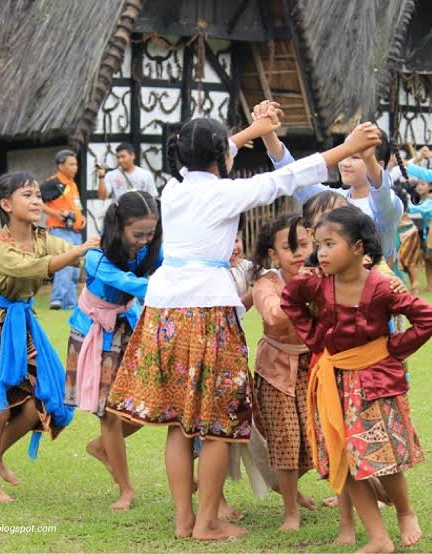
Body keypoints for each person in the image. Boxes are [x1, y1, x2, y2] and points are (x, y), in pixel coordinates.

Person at [106, 113, 382, 541]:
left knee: (180, 423)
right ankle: (207, 523)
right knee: (218, 424)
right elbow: (288, 177)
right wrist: (348, 148)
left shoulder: (174, 187)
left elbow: (219, 151)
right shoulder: (223, 193)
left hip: (162, 311)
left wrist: (253, 131)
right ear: (219, 155)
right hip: (207, 311)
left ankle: (184, 520)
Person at [282, 206, 432, 552]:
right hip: (333, 382)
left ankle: (405, 512)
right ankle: (379, 538)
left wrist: (392, 348)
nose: (321, 252)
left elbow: (425, 319)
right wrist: (316, 338)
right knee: (345, 459)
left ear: (358, 248)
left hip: (376, 383)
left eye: (330, 244)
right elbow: (290, 300)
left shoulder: (382, 287)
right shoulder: (317, 282)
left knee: (383, 456)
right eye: (318, 244)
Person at [0, 171, 99, 503]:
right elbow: (31, 267)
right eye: (27, 195)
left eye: (38, 195)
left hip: (21, 326)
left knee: (34, 406)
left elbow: (79, 258)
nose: (37, 201)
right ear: (6, 204)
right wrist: (79, 250)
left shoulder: (44, 238)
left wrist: (109, 254)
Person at [65, 190, 162, 511]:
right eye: (138, 234)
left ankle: (101, 446)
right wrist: (176, 285)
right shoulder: (97, 256)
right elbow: (131, 284)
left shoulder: (150, 250)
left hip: (127, 327)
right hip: (94, 332)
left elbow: (169, 265)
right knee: (108, 413)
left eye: (150, 233)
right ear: (119, 227)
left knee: (146, 404)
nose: (144, 241)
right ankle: (125, 490)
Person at [254, 101, 404, 264]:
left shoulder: (391, 205)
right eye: (344, 155)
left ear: (379, 164)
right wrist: (268, 133)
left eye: (355, 157)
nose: (345, 163)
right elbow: (295, 178)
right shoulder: (332, 200)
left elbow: (381, 196)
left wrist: (368, 158)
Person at [250, 213, 316, 531]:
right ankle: (291, 512)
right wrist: (303, 287)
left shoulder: (323, 274)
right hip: (275, 370)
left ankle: (287, 486)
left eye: (303, 244)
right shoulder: (267, 283)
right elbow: (273, 315)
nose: (298, 253)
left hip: (314, 367)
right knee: (286, 441)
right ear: (274, 255)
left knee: (316, 440)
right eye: (289, 248)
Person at [41, 149, 86, 310]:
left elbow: (76, 205)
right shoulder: (53, 183)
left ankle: (69, 304)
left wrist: (81, 218)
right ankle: (57, 299)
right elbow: (37, 202)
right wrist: (57, 214)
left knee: (74, 269)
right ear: (61, 166)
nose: (75, 168)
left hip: (75, 231)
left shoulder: (72, 184)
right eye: (71, 164)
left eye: (76, 164)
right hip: (60, 230)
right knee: (65, 264)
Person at [409, 179, 432, 291]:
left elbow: (419, 209)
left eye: (423, 184)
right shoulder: (419, 201)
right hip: (424, 231)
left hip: (430, 231)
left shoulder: (429, 201)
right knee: (427, 259)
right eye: (418, 184)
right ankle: (430, 285)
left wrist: (404, 205)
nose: (419, 187)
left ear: (430, 187)